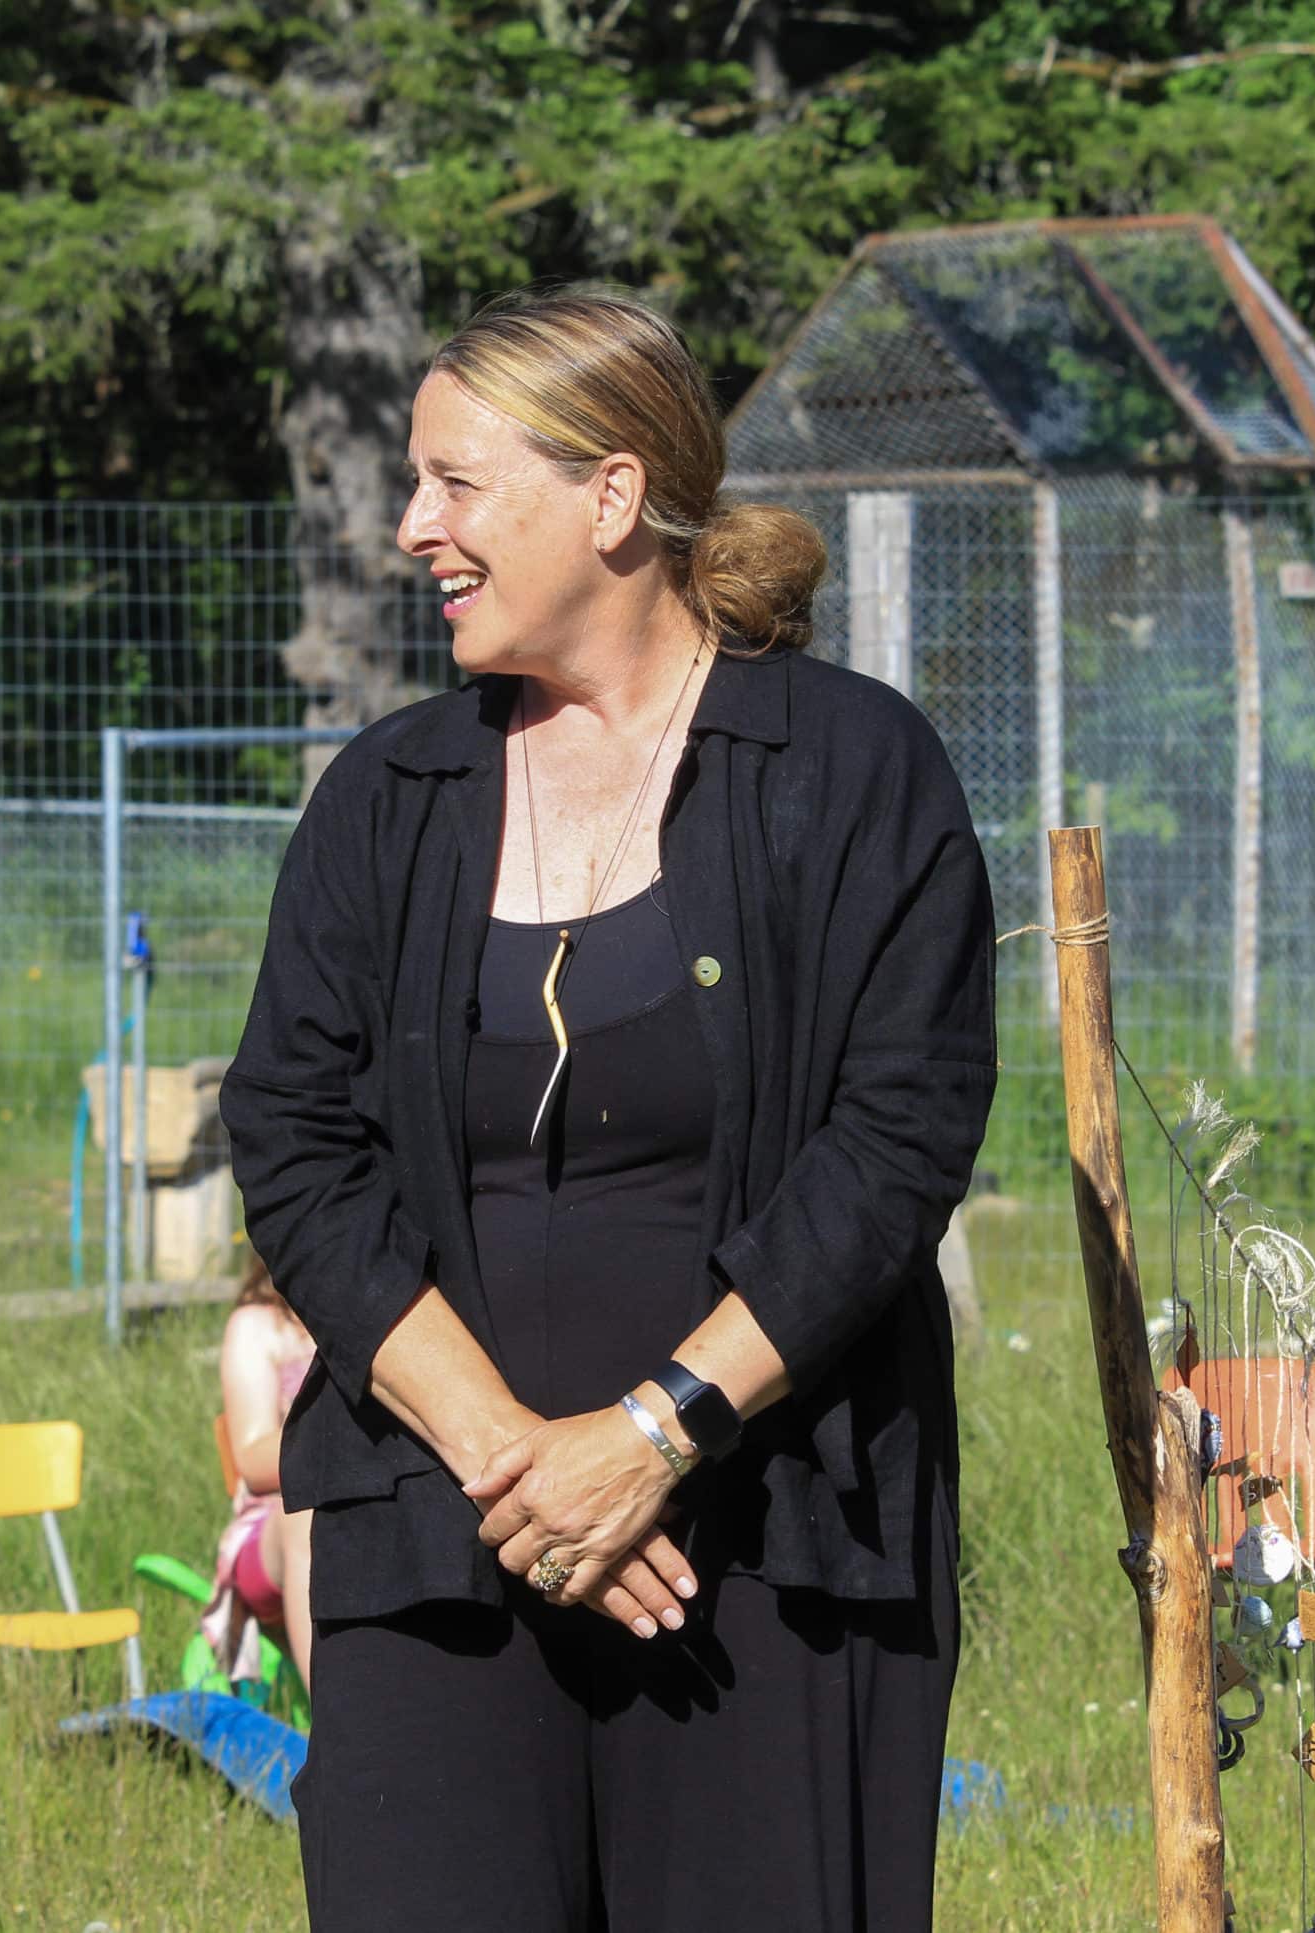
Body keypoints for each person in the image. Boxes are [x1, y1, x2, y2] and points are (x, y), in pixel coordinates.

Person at [222, 284, 996, 1931]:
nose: (413, 526)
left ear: (614, 496)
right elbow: (293, 1138)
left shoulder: (852, 775)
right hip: (435, 1531)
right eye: (413, 483)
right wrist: (521, 1463)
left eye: (456, 482)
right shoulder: (388, 800)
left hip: (766, 1543)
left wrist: (654, 1436)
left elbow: (896, 1143)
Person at [205, 1248, 316, 1693]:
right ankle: (331, 1732)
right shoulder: (261, 1326)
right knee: (305, 1514)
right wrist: (349, 1445)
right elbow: (252, 1459)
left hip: (377, 1507)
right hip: (272, 1525)